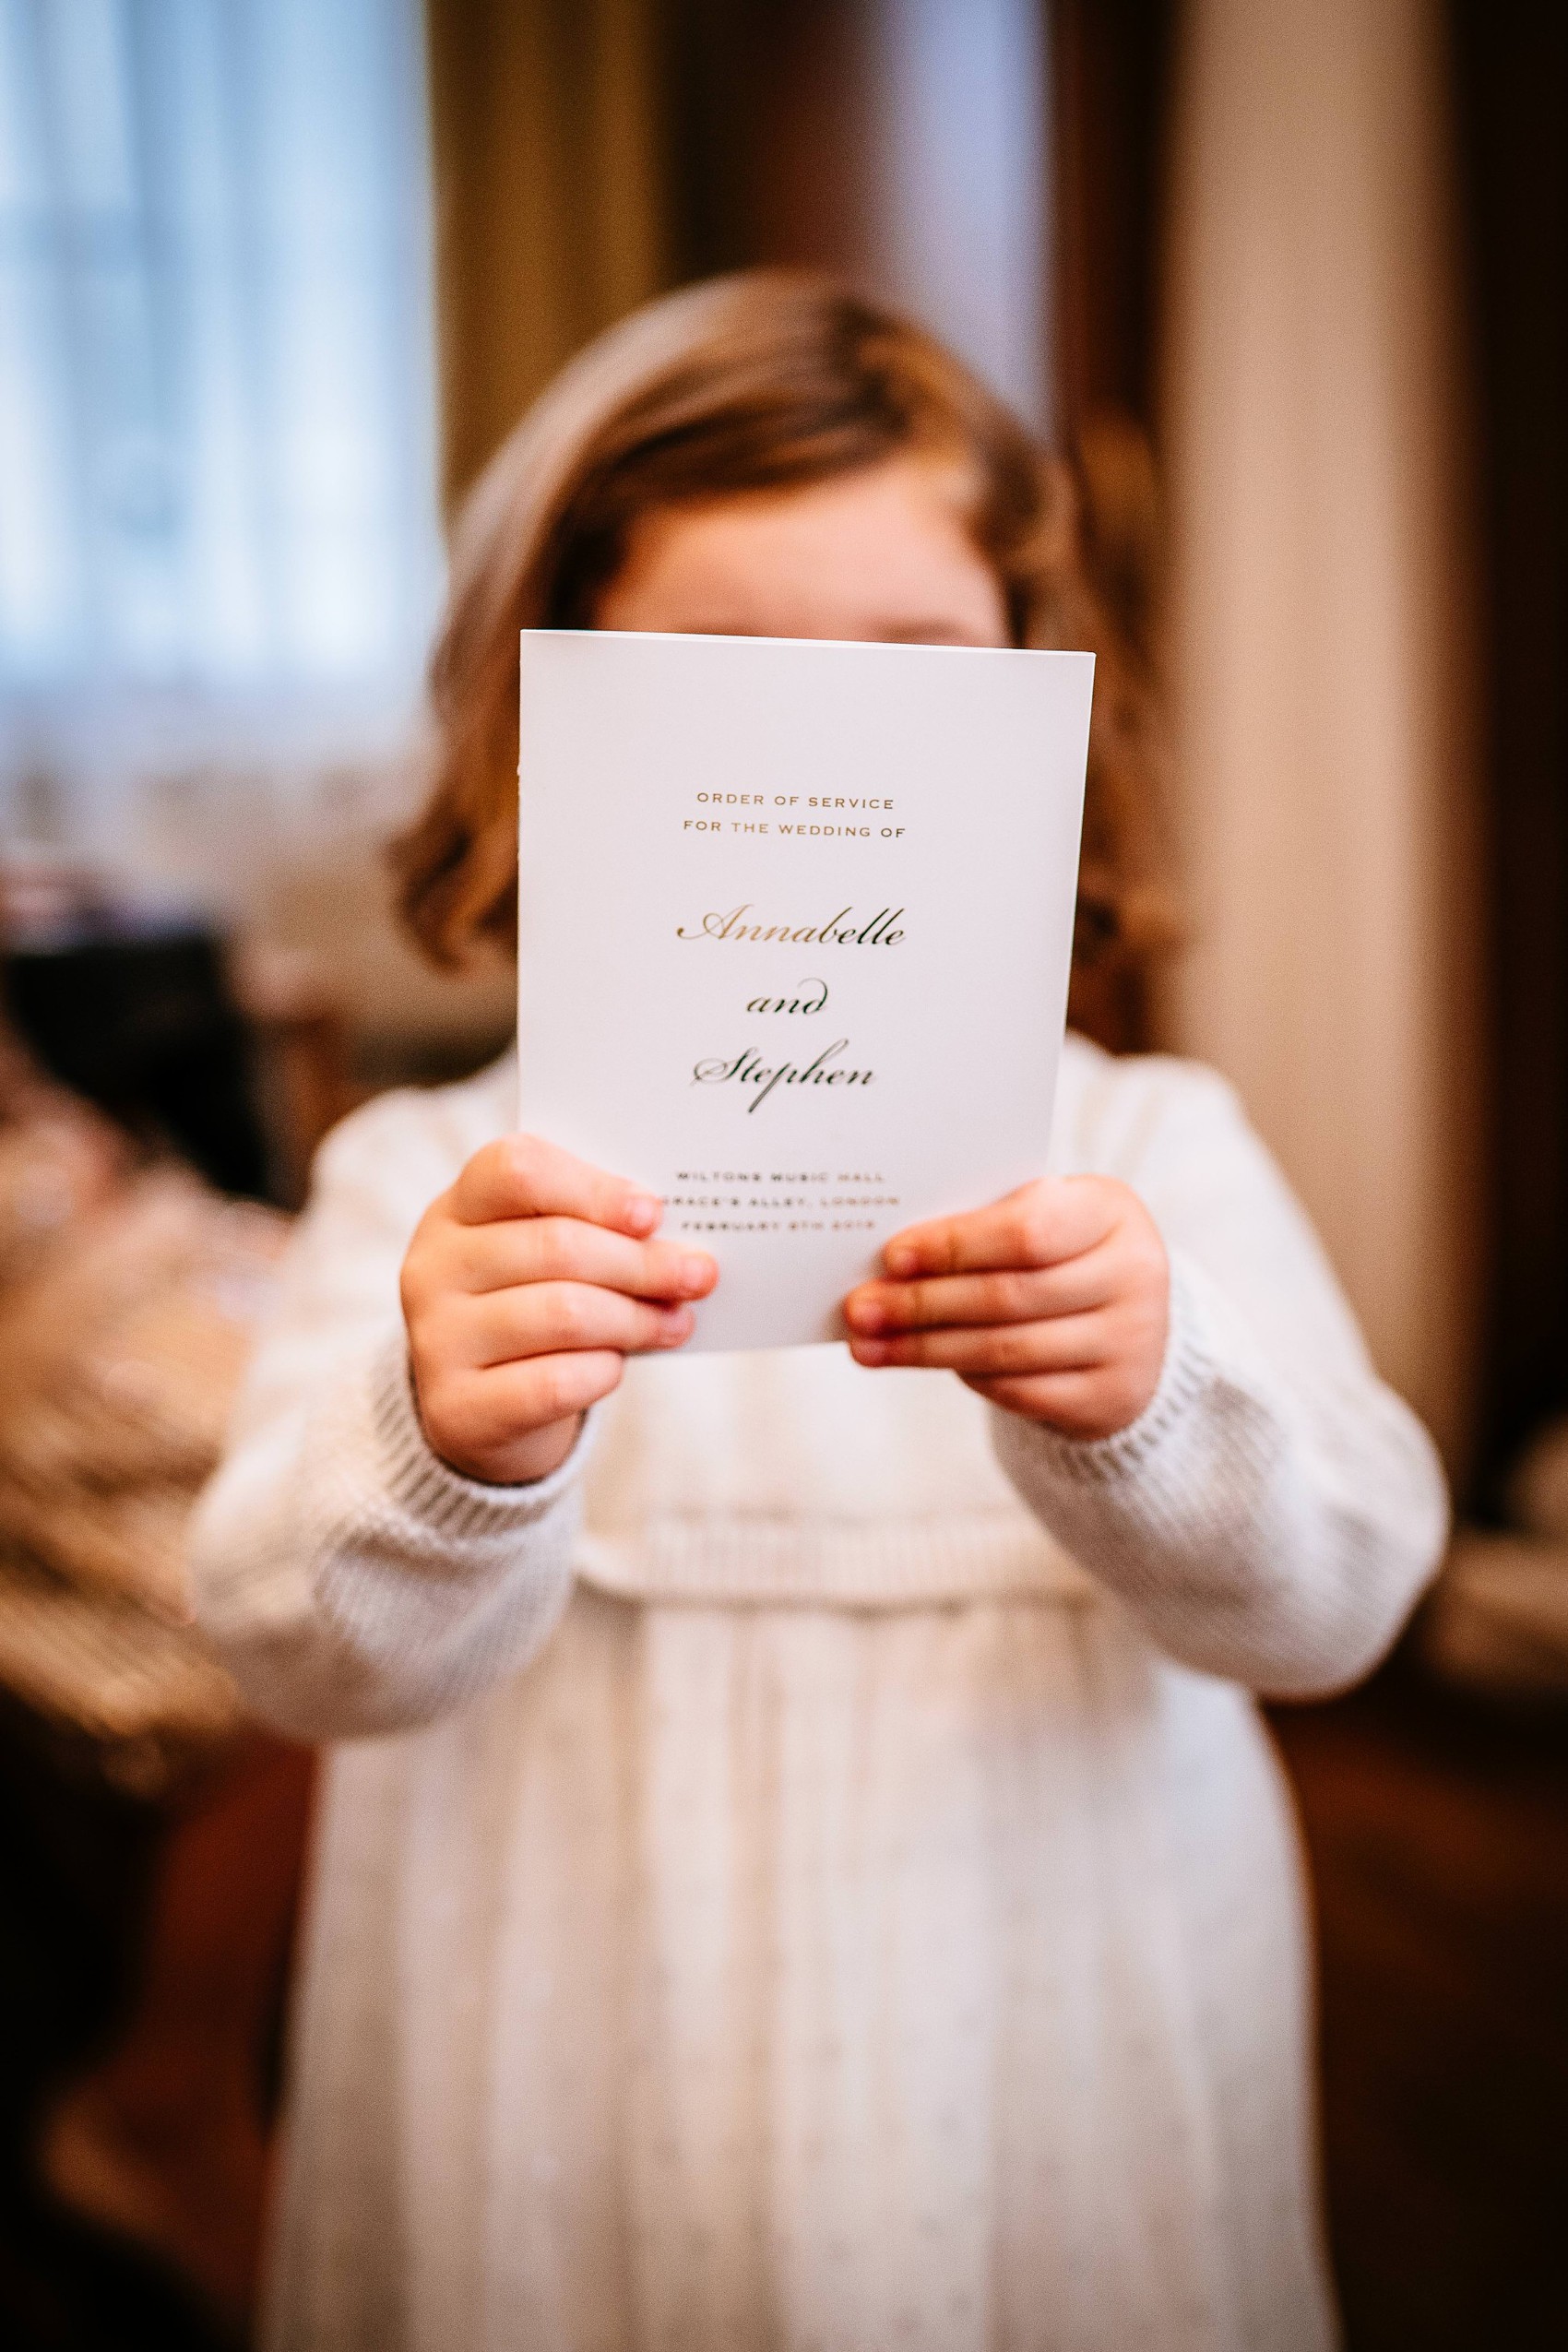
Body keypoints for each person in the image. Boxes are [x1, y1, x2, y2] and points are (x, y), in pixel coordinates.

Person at [188, 273, 1448, 2352]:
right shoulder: (427, 1191)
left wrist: (1157, 1405)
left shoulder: (1152, 1149)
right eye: (723, 678)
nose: (823, 754)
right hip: (554, 2054)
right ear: (550, 727)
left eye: (914, 673)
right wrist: (450, 1452)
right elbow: (284, 1653)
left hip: (1055, 2042)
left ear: (1036, 704)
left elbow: (1341, 1605)